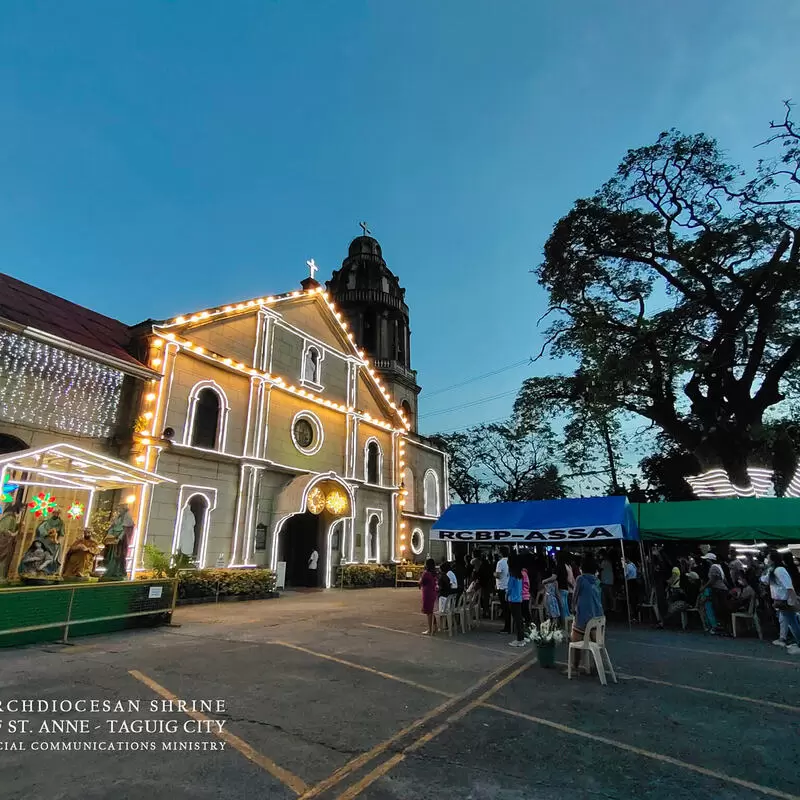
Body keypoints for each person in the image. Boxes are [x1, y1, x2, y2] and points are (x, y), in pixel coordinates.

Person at [568, 554, 604, 672]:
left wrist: (573, 609)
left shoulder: (581, 579)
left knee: (575, 640)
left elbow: (575, 596)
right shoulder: (597, 581)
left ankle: (575, 666)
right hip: (599, 618)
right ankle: (597, 665)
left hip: (583, 619)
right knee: (596, 642)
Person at [762, 550, 800, 655]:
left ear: (773, 559)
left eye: (768, 557)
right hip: (781, 601)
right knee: (791, 622)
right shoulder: (772, 570)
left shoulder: (780, 570)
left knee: (792, 623)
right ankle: (793, 641)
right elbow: (764, 580)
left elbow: (788, 586)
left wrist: (792, 601)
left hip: (785, 601)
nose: (766, 559)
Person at [0, 504, 21, 581]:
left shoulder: (10, 518)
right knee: (3, 559)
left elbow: (11, 527)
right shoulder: (10, 518)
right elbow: (5, 530)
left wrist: (18, 525)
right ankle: (1, 577)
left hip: (6, 541)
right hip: (3, 541)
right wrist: (13, 534)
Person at [419, 558, 438, 635]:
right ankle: (435, 627)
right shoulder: (434, 573)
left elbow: (420, 582)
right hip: (433, 592)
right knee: (431, 611)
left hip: (427, 593)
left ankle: (430, 629)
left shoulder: (426, 573)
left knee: (429, 612)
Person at [494, 546, 510, 634]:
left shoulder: (500, 563)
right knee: (508, 607)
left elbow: (498, 575)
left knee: (505, 607)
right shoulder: (509, 561)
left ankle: (507, 627)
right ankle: (509, 625)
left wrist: (494, 574)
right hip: (508, 586)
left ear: (500, 553)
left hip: (502, 587)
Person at [556, 551, 572, 620]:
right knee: (566, 607)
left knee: (563, 607)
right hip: (567, 588)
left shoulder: (561, 566)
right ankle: (568, 622)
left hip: (562, 588)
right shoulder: (568, 566)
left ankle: (564, 623)